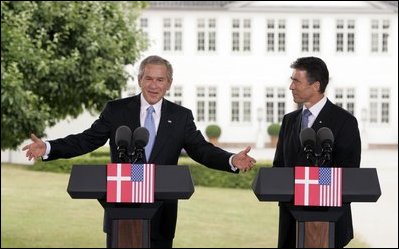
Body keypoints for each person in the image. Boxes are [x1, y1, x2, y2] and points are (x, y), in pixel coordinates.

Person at [23, 55, 256, 248]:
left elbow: (201, 149)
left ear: (169, 83)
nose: (154, 85)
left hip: (162, 212)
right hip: (122, 211)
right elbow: (87, 140)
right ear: (140, 80)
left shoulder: (180, 116)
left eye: (160, 80)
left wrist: (231, 159)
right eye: (149, 78)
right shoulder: (116, 110)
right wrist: (49, 147)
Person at [272, 56, 361, 248]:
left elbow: (348, 172)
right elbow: (279, 166)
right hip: (291, 222)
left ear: (316, 85)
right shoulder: (289, 120)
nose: (291, 87)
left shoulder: (345, 122)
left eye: (296, 81)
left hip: (329, 222)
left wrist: (311, 185)